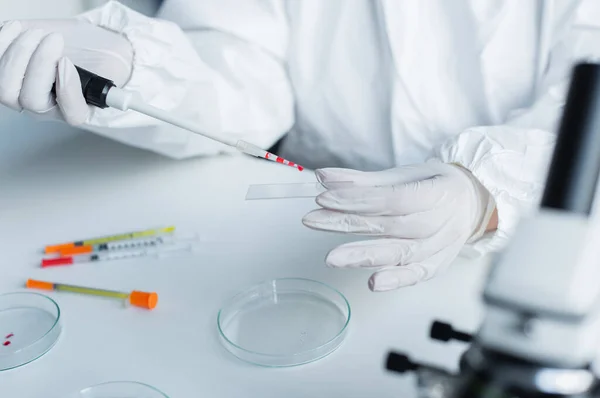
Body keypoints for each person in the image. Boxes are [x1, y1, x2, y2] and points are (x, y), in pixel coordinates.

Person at [1, 1, 599, 291]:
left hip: (524, 265)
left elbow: (587, 93)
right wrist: (136, 65)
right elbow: (242, 74)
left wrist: (485, 190)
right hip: (307, 239)